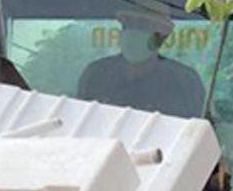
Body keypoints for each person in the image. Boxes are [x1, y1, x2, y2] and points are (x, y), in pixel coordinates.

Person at [77, 6, 206, 118]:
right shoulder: (96, 75)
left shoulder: (184, 81)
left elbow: (200, 133)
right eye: (129, 26)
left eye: (144, 27)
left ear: (160, 39)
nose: (134, 33)